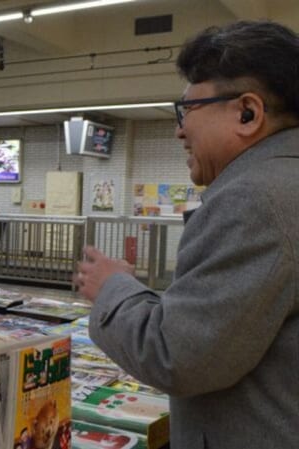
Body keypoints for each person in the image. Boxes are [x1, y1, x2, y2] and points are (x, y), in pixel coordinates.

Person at [74, 21, 299, 448]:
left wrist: (111, 287)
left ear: (247, 113)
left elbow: (177, 356)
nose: (180, 130)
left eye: (187, 110)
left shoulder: (254, 200)